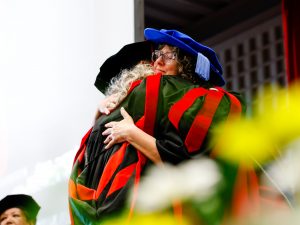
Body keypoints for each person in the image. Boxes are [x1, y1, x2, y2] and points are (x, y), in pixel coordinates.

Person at [68, 28, 245, 224]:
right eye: (158, 55)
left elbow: (182, 163)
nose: (158, 62)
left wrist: (131, 133)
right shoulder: (144, 98)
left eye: (168, 56)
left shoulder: (199, 103)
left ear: (187, 66)